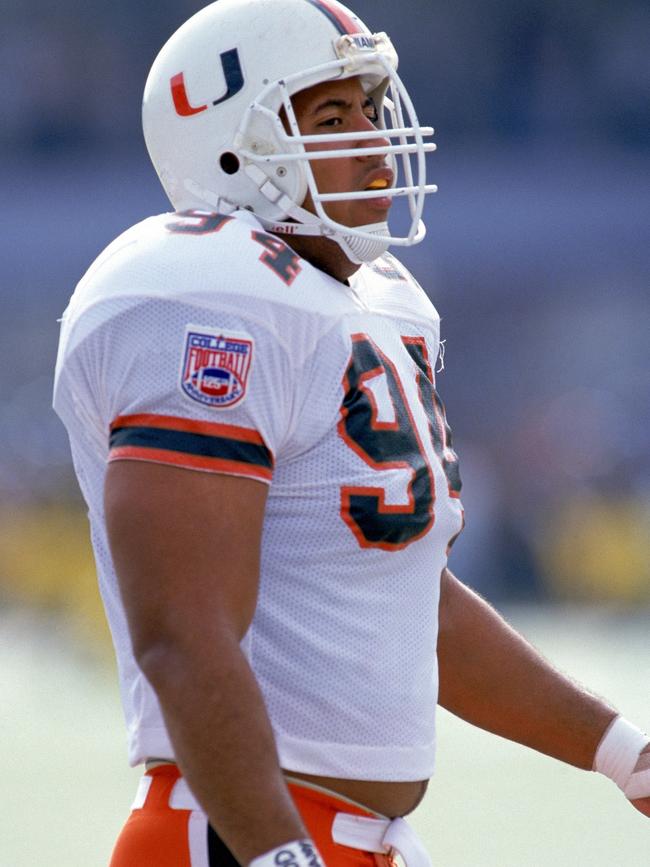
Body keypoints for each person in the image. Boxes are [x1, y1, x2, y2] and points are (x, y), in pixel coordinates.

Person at [53, 1, 650, 865]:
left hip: (358, 841)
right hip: (237, 832)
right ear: (230, 148)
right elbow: (182, 630)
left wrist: (622, 751)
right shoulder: (200, 288)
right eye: (331, 116)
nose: (372, 141)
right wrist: (275, 853)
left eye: (370, 109)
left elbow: (408, 600)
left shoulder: (381, 301)